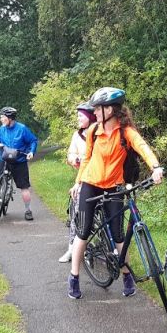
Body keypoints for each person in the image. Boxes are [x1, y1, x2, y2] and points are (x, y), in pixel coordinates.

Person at [67, 87, 164, 299]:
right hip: (90, 184)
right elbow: (86, 159)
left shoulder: (125, 132)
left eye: (97, 109)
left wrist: (155, 167)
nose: (94, 112)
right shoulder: (93, 131)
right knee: (83, 232)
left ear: (109, 110)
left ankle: (127, 275)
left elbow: (143, 147)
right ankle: (74, 276)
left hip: (114, 186)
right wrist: (78, 183)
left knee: (119, 235)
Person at [59, 102, 97, 263]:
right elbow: (71, 154)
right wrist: (74, 159)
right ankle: (71, 248)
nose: (78, 119)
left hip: (100, 178)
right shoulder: (77, 135)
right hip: (83, 179)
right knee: (76, 212)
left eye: (81, 116)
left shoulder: (99, 133)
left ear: (89, 117)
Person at [0, 106, 38, 221]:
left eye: (3, 117)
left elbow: (33, 141)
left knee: (24, 188)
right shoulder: (2, 129)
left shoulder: (22, 129)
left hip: (19, 161)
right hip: (4, 159)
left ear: (10, 118)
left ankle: (28, 210)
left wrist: (31, 152)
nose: (1, 119)